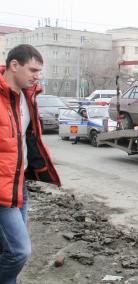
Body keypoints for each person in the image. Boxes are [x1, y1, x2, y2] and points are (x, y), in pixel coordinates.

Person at [0, 44, 61, 283]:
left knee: (7, 247)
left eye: (39, 71)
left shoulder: (27, 96)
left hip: (19, 184)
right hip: (2, 189)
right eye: (33, 69)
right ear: (14, 65)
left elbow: (28, 138)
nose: (37, 76)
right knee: (19, 251)